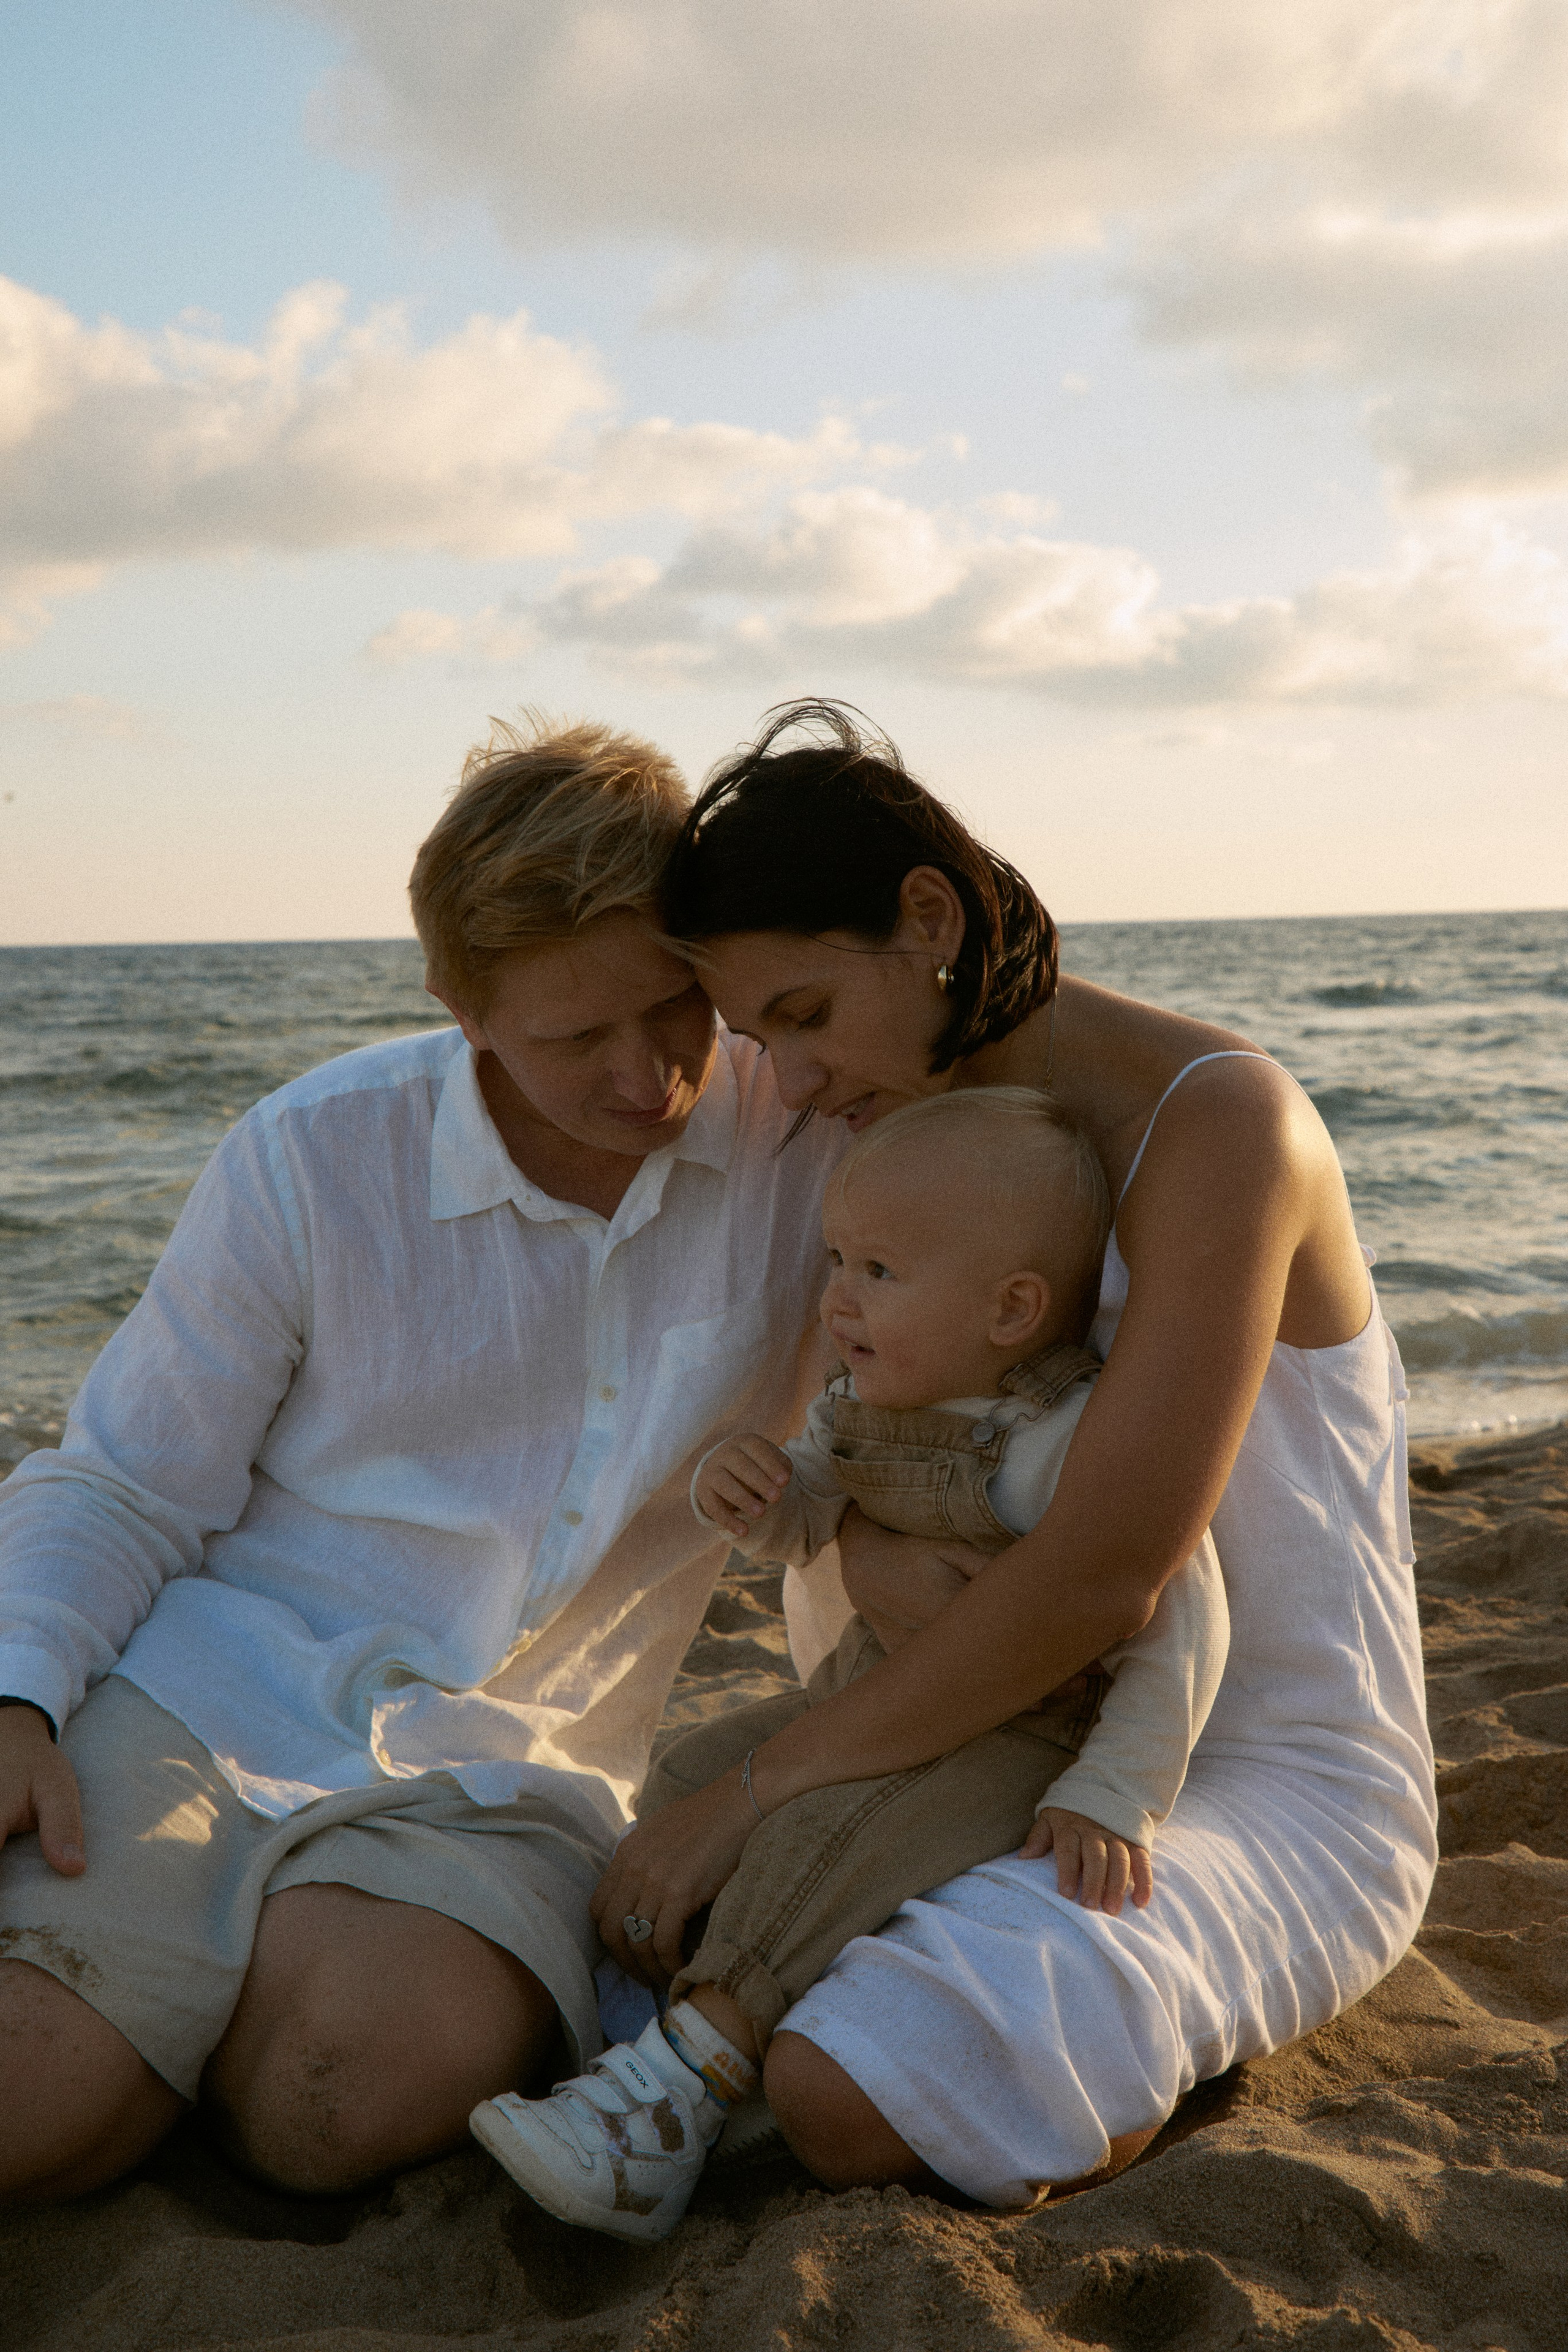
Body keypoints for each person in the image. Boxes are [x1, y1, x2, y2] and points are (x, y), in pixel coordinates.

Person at [586, 699, 1438, 2214]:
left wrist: (753, 1792)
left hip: (1233, 1774)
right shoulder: (901, 1129)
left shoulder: (1218, 1124)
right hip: (954, 1739)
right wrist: (844, 1547)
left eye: (799, 1014)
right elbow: (877, 1463)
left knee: (848, 2082)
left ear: (927, 919)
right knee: (592, 1927)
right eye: (748, 1037)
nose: (780, 1083)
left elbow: (1106, 1575)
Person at [0, 717, 842, 2204]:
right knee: (31, 2104)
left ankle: (225, 2000)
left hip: (516, 1766)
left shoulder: (810, 1141)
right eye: (576, 1037)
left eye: (673, 1010)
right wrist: (15, 1695)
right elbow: (126, 1480)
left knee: (335, 2104)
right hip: (211, 1686)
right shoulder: (313, 1153)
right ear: (458, 1004)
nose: (647, 1077)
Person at [471, 1086, 1229, 2241]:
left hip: (1020, 1740)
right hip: (867, 1700)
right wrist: (753, 1491)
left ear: (1013, 1309)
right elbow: (809, 1511)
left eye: (879, 1271)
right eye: (834, 1259)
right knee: (686, 1777)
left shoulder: (1054, 1442)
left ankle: (669, 2106)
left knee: (826, 1837)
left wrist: (1113, 1791)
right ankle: (654, 2031)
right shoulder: (862, 1408)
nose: (836, 1298)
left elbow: (1183, 1622)